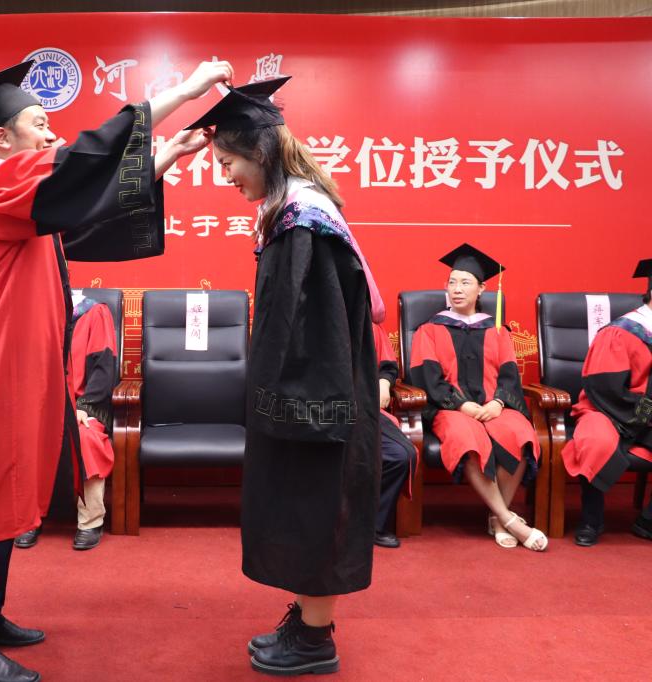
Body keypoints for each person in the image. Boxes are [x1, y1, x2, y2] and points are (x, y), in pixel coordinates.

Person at [0, 60, 232, 682]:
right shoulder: (0, 181)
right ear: (1, 138)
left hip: (19, 369)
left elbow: (86, 218)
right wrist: (183, 91)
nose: (52, 135)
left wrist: (164, 158)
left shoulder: (21, 201)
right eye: (39, 124)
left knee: (9, 489)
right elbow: (85, 161)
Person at [194, 77, 384, 676]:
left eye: (227, 162)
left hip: (318, 396)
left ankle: (315, 640)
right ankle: (306, 621)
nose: (226, 176)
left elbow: (316, 325)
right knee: (306, 511)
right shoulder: (294, 211)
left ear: (260, 151)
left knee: (317, 510)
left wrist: (290, 401)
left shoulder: (305, 221)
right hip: (311, 390)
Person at [409, 243, 546, 552]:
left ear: (482, 288)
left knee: (521, 434)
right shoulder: (428, 330)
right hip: (452, 409)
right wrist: (462, 404)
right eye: (452, 282)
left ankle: (498, 518)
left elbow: (509, 375)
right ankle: (507, 519)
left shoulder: (498, 330)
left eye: (465, 282)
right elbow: (426, 378)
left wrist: (498, 402)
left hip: (495, 406)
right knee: (466, 437)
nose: (457, 289)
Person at [17, 291, 118, 551]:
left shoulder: (94, 313)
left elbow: (104, 367)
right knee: (25, 436)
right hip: (42, 406)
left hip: (85, 405)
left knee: (85, 437)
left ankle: (91, 520)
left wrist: (83, 407)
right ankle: (29, 517)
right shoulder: (34, 315)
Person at [562, 258, 652, 546]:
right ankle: (591, 519)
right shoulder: (622, 331)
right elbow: (603, 388)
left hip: (646, 416)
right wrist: (645, 414)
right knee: (596, 441)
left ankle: (647, 521)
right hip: (604, 410)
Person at [372, 323, 417, 549]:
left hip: (365, 410)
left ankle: (375, 525)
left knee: (401, 454)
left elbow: (387, 367)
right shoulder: (306, 322)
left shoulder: (369, 327)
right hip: (318, 411)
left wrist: (383, 384)